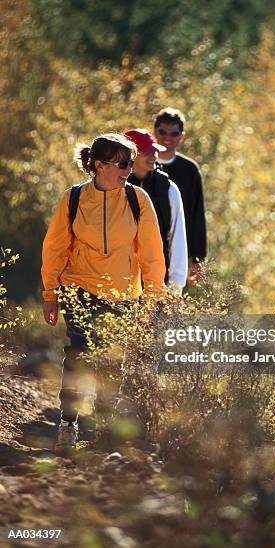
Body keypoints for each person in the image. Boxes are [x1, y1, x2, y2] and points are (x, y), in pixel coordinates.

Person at [41, 133, 166, 450]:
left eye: (131, 163)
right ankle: (68, 424)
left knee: (111, 362)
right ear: (99, 165)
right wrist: (50, 294)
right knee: (80, 354)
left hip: (122, 294)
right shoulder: (73, 199)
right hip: (79, 287)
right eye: (123, 163)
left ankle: (102, 432)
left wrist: (152, 300)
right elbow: (55, 249)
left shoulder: (138, 201)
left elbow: (151, 256)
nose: (129, 169)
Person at [125, 129, 188, 294]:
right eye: (146, 152)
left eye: (154, 150)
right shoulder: (113, 186)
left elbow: (177, 237)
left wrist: (176, 286)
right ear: (130, 155)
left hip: (159, 285)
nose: (153, 156)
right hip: (120, 285)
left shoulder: (168, 188)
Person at [154, 107, 207, 284]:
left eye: (174, 133)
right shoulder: (140, 165)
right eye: (162, 131)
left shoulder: (190, 169)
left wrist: (198, 258)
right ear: (154, 131)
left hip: (178, 251)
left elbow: (197, 214)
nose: (167, 137)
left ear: (181, 136)